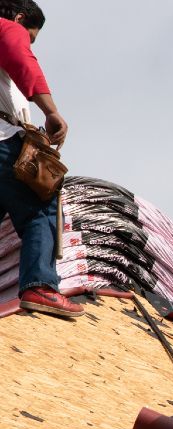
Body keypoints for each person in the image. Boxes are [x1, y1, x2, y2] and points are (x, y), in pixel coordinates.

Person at [0, 0, 80, 317]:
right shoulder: (7, 27)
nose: (28, 42)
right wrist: (51, 113)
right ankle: (40, 287)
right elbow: (22, 61)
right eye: (31, 36)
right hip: (3, 140)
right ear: (20, 18)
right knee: (40, 206)